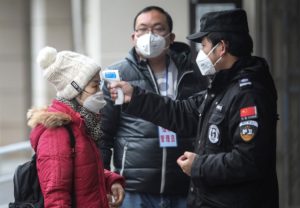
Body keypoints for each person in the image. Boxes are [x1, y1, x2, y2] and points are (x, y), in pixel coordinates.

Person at [107, 9, 279, 208]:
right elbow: (182, 113)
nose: (201, 53)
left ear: (221, 48)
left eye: (204, 45)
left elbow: (248, 160)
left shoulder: (248, 94)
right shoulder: (222, 86)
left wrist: (198, 166)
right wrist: (135, 97)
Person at [99, 6, 208, 208]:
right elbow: (104, 135)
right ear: (133, 36)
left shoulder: (194, 73)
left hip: (185, 186)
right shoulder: (116, 75)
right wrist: (104, 180)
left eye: (158, 28)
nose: (149, 35)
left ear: (171, 37)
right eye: (142, 29)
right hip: (133, 190)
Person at [28, 46, 125, 208]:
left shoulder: (80, 125)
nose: (100, 91)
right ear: (75, 90)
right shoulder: (57, 132)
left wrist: (110, 181)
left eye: (99, 84)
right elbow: (56, 196)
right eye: (94, 86)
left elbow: (83, 171)